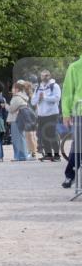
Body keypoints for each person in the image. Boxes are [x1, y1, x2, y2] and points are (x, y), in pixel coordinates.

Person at [61, 55, 82, 189]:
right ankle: (71, 174)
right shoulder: (75, 67)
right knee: (79, 144)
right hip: (80, 111)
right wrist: (66, 114)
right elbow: (68, 92)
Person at [32, 70, 61, 162]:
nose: (44, 77)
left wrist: (44, 97)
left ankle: (57, 155)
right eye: (43, 76)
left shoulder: (54, 86)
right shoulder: (38, 87)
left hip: (52, 114)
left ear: (50, 76)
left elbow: (57, 98)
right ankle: (48, 154)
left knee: (52, 135)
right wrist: (39, 98)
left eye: (46, 75)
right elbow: (33, 101)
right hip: (41, 115)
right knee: (43, 135)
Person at [7, 81, 33, 162]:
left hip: (16, 119)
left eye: (13, 88)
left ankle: (20, 156)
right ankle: (20, 155)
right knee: (20, 138)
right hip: (19, 119)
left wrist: (5, 106)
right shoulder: (21, 97)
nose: (12, 89)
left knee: (18, 138)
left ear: (17, 89)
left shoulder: (17, 97)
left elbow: (11, 109)